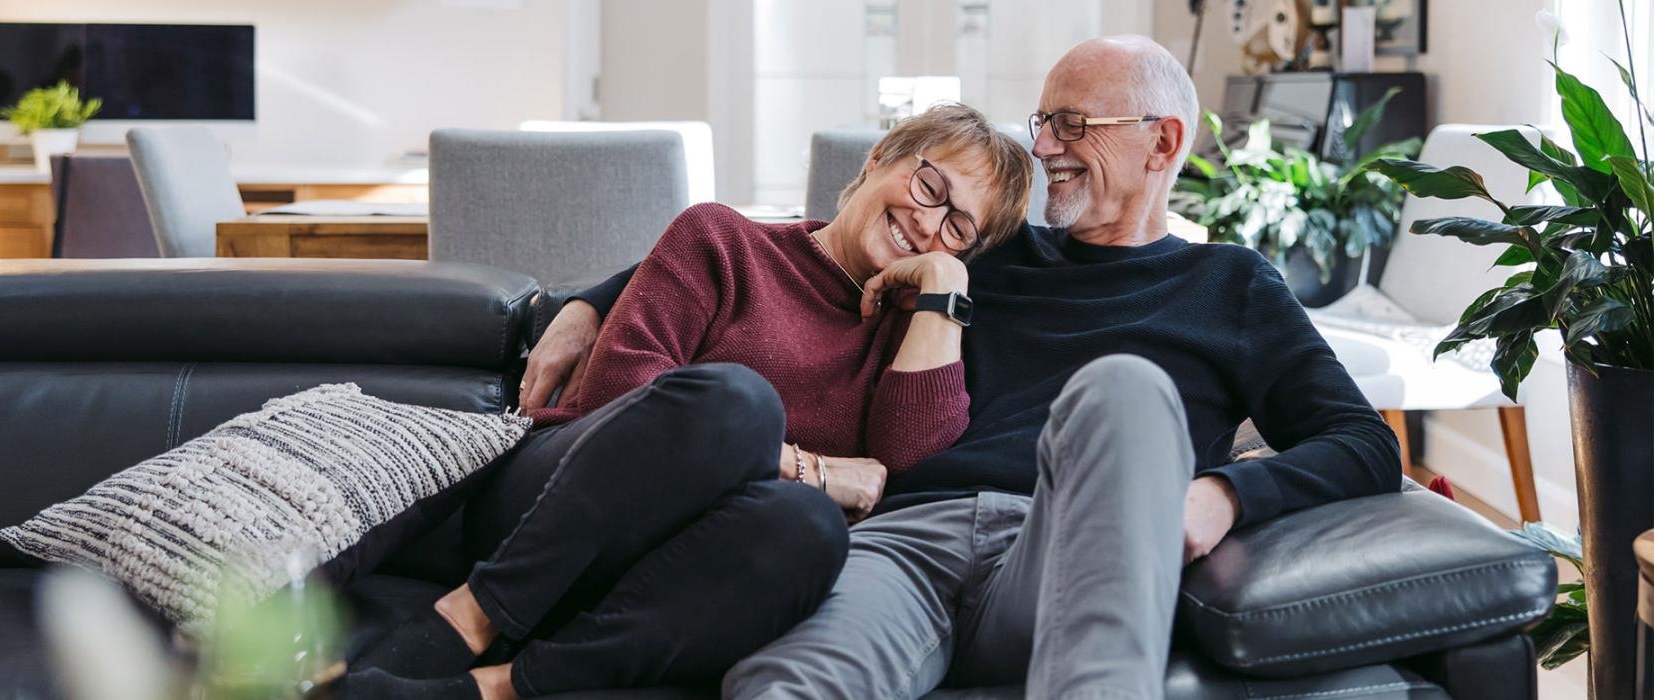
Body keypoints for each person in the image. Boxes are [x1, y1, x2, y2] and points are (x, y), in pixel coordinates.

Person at [529, 36, 1401, 699]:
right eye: (1044, 121)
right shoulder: (981, 246)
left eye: (1074, 125)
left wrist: (1225, 494)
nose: (1048, 145)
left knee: (1126, 387)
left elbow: (1363, 442)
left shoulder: (1232, 285)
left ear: (1161, 141)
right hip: (900, 543)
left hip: (1064, 543)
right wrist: (588, 299)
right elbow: (795, 249)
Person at [345, 103, 1035, 700]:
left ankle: (501, 686)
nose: (928, 222)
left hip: (686, 571)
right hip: (562, 503)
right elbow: (622, 395)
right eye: (928, 185)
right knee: (736, 402)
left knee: (809, 533)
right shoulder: (722, 239)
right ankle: (470, 618)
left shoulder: (916, 336)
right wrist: (813, 469)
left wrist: (942, 290)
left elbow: (903, 469)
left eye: (958, 229)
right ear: (882, 157)